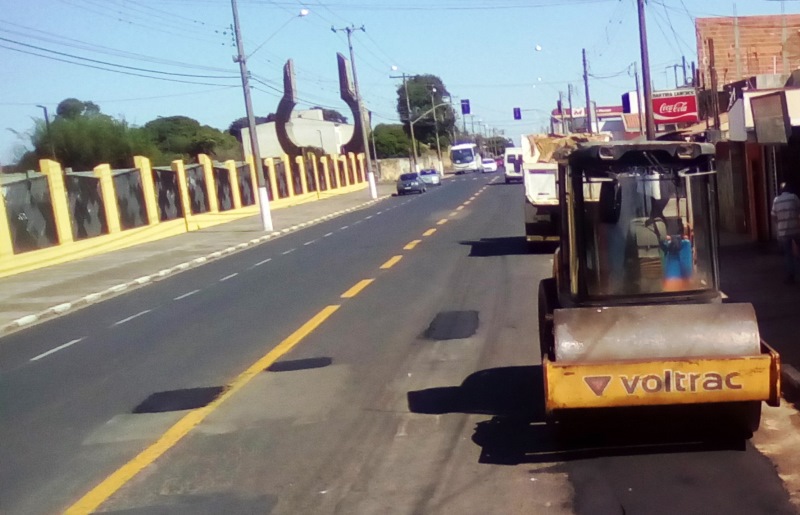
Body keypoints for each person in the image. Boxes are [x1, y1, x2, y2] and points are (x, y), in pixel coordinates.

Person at [771, 182, 800, 284]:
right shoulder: (793, 197)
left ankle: (790, 276)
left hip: (783, 231)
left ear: (780, 190)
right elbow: (798, 210)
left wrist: (779, 225)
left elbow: (774, 216)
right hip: (795, 229)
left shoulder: (776, 200)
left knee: (788, 254)